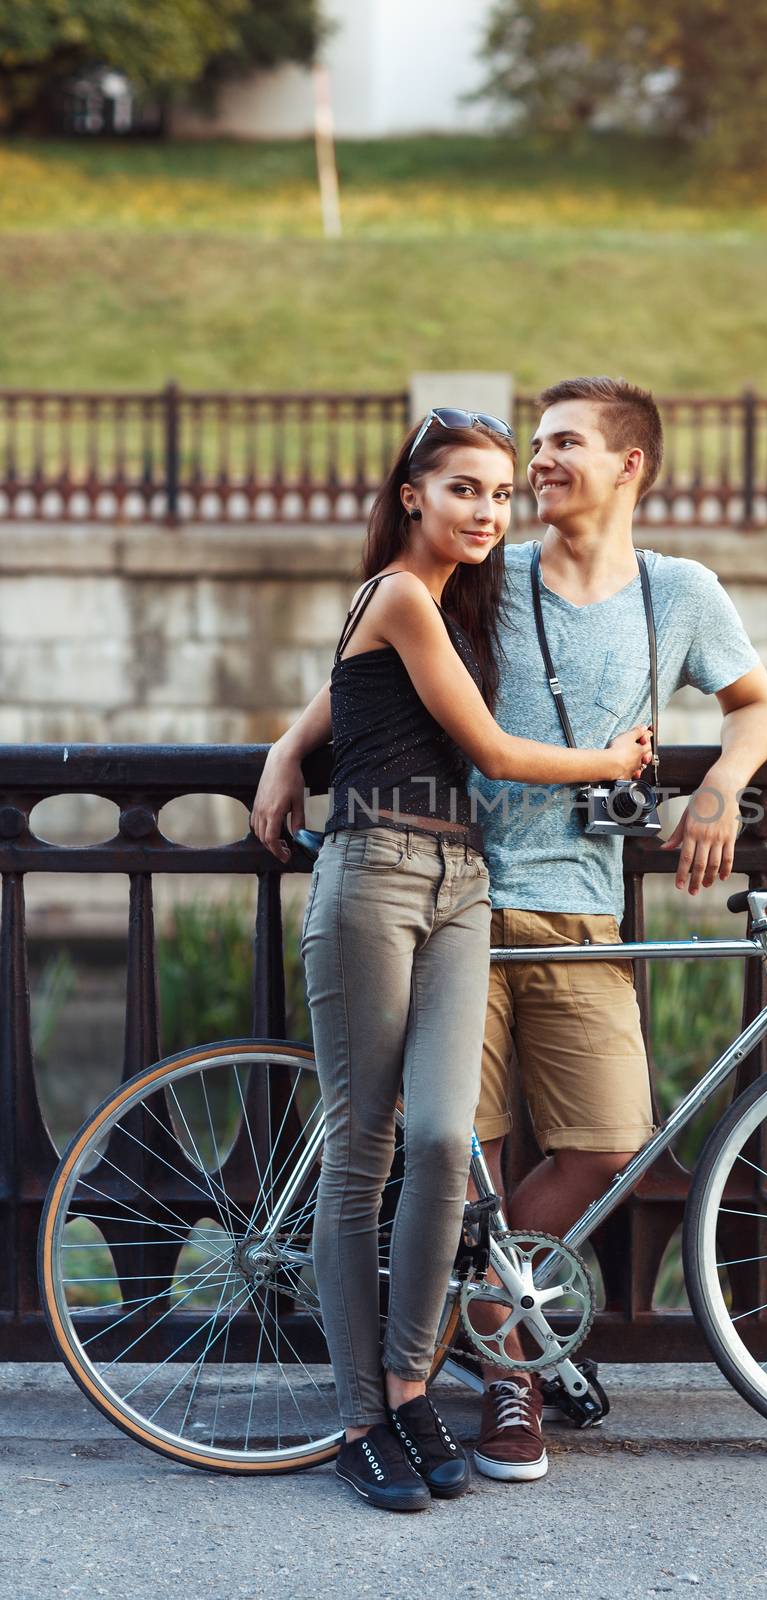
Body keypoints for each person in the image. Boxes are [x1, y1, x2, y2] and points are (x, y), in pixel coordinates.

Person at [250, 408, 651, 1514]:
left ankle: (416, 1381)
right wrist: (612, 760)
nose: (487, 508)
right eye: (464, 488)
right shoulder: (396, 593)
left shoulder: (454, 601)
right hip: (374, 871)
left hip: (463, 881)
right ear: (412, 494)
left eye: (499, 492)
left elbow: (347, 696)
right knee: (363, 1146)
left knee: (441, 1140)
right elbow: (495, 749)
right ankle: (361, 1418)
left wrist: (289, 746)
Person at [466, 377, 767, 1484]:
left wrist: (722, 785)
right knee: (468, 1145)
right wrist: (283, 751)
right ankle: (510, 1377)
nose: (538, 460)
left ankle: (463, 1293)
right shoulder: (488, 570)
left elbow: (756, 704)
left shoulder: (679, 591)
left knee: (608, 1137)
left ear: (629, 464)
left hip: (583, 907)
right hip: (455, 895)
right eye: (535, 441)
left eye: (562, 443)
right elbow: (379, 656)